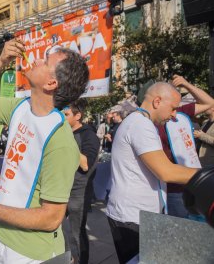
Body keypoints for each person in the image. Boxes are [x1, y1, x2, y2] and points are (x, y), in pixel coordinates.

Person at [0, 40, 89, 263]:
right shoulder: (20, 107)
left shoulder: (61, 141)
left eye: (45, 62)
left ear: (51, 82)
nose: (36, 59)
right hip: (2, 239)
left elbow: (51, 218)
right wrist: (1, 60)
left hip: (31, 254)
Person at [106, 82, 198, 264]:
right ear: (157, 101)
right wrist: (205, 177)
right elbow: (166, 172)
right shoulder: (140, 125)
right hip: (133, 217)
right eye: (173, 109)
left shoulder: (139, 122)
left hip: (137, 214)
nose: (174, 115)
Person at [155, 75, 214, 218]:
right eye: (172, 106)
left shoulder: (181, 114)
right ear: (158, 102)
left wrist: (187, 84)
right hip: (170, 187)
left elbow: (210, 102)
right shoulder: (150, 121)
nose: (174, 112)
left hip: (191, 184)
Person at [64, 99, 100, 264]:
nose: (62, 118)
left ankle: (81, 261)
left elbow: (85, 164)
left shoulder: (89, 135)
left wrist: (67, 140)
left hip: (79, 193)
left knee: (76, 233)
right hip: (61, 189)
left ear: (78, 116)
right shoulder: (66, 132)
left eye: (66, 114)